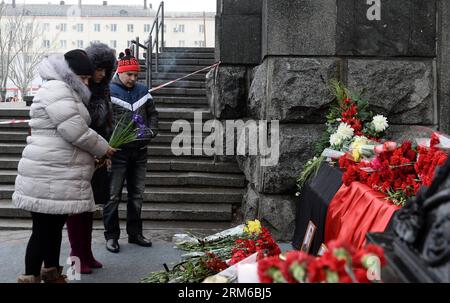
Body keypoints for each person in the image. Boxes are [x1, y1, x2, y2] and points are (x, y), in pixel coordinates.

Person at [13, 49, 115, 283]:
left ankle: (51, 272)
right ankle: (30, 276)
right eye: (84, 78)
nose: (87, 83)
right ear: (71, 75)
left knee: (53, 227)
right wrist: (103, 147)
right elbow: (75, 130)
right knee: (42, 230)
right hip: (47, 170)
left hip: (55, 170)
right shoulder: (57, 90)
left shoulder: (63, 89)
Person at [65, 43, 117, 274]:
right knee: (77, 209)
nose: (102, 74)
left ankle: (86, 253)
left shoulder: (103, 90)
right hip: (81, 154)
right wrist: (100, 148)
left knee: (89, 207)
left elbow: (105, 124)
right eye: (99, 69)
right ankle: (76, 258)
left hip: (97, 154)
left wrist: (106, 151)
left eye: (106, 70)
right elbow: (79, 128)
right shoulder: (78, 92)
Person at [103, 49, 158, 253]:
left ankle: (135, 234)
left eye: (136, 75)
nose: (133, 79)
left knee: (137, 195)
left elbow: (153, 114)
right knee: (113, 196)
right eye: (130, 75)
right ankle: (111, 236)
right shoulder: (109, 91)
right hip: (117, 152)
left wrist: (151, 131)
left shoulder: (143, 91)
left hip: (140, 151)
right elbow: (103, 120)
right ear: (120, 72)